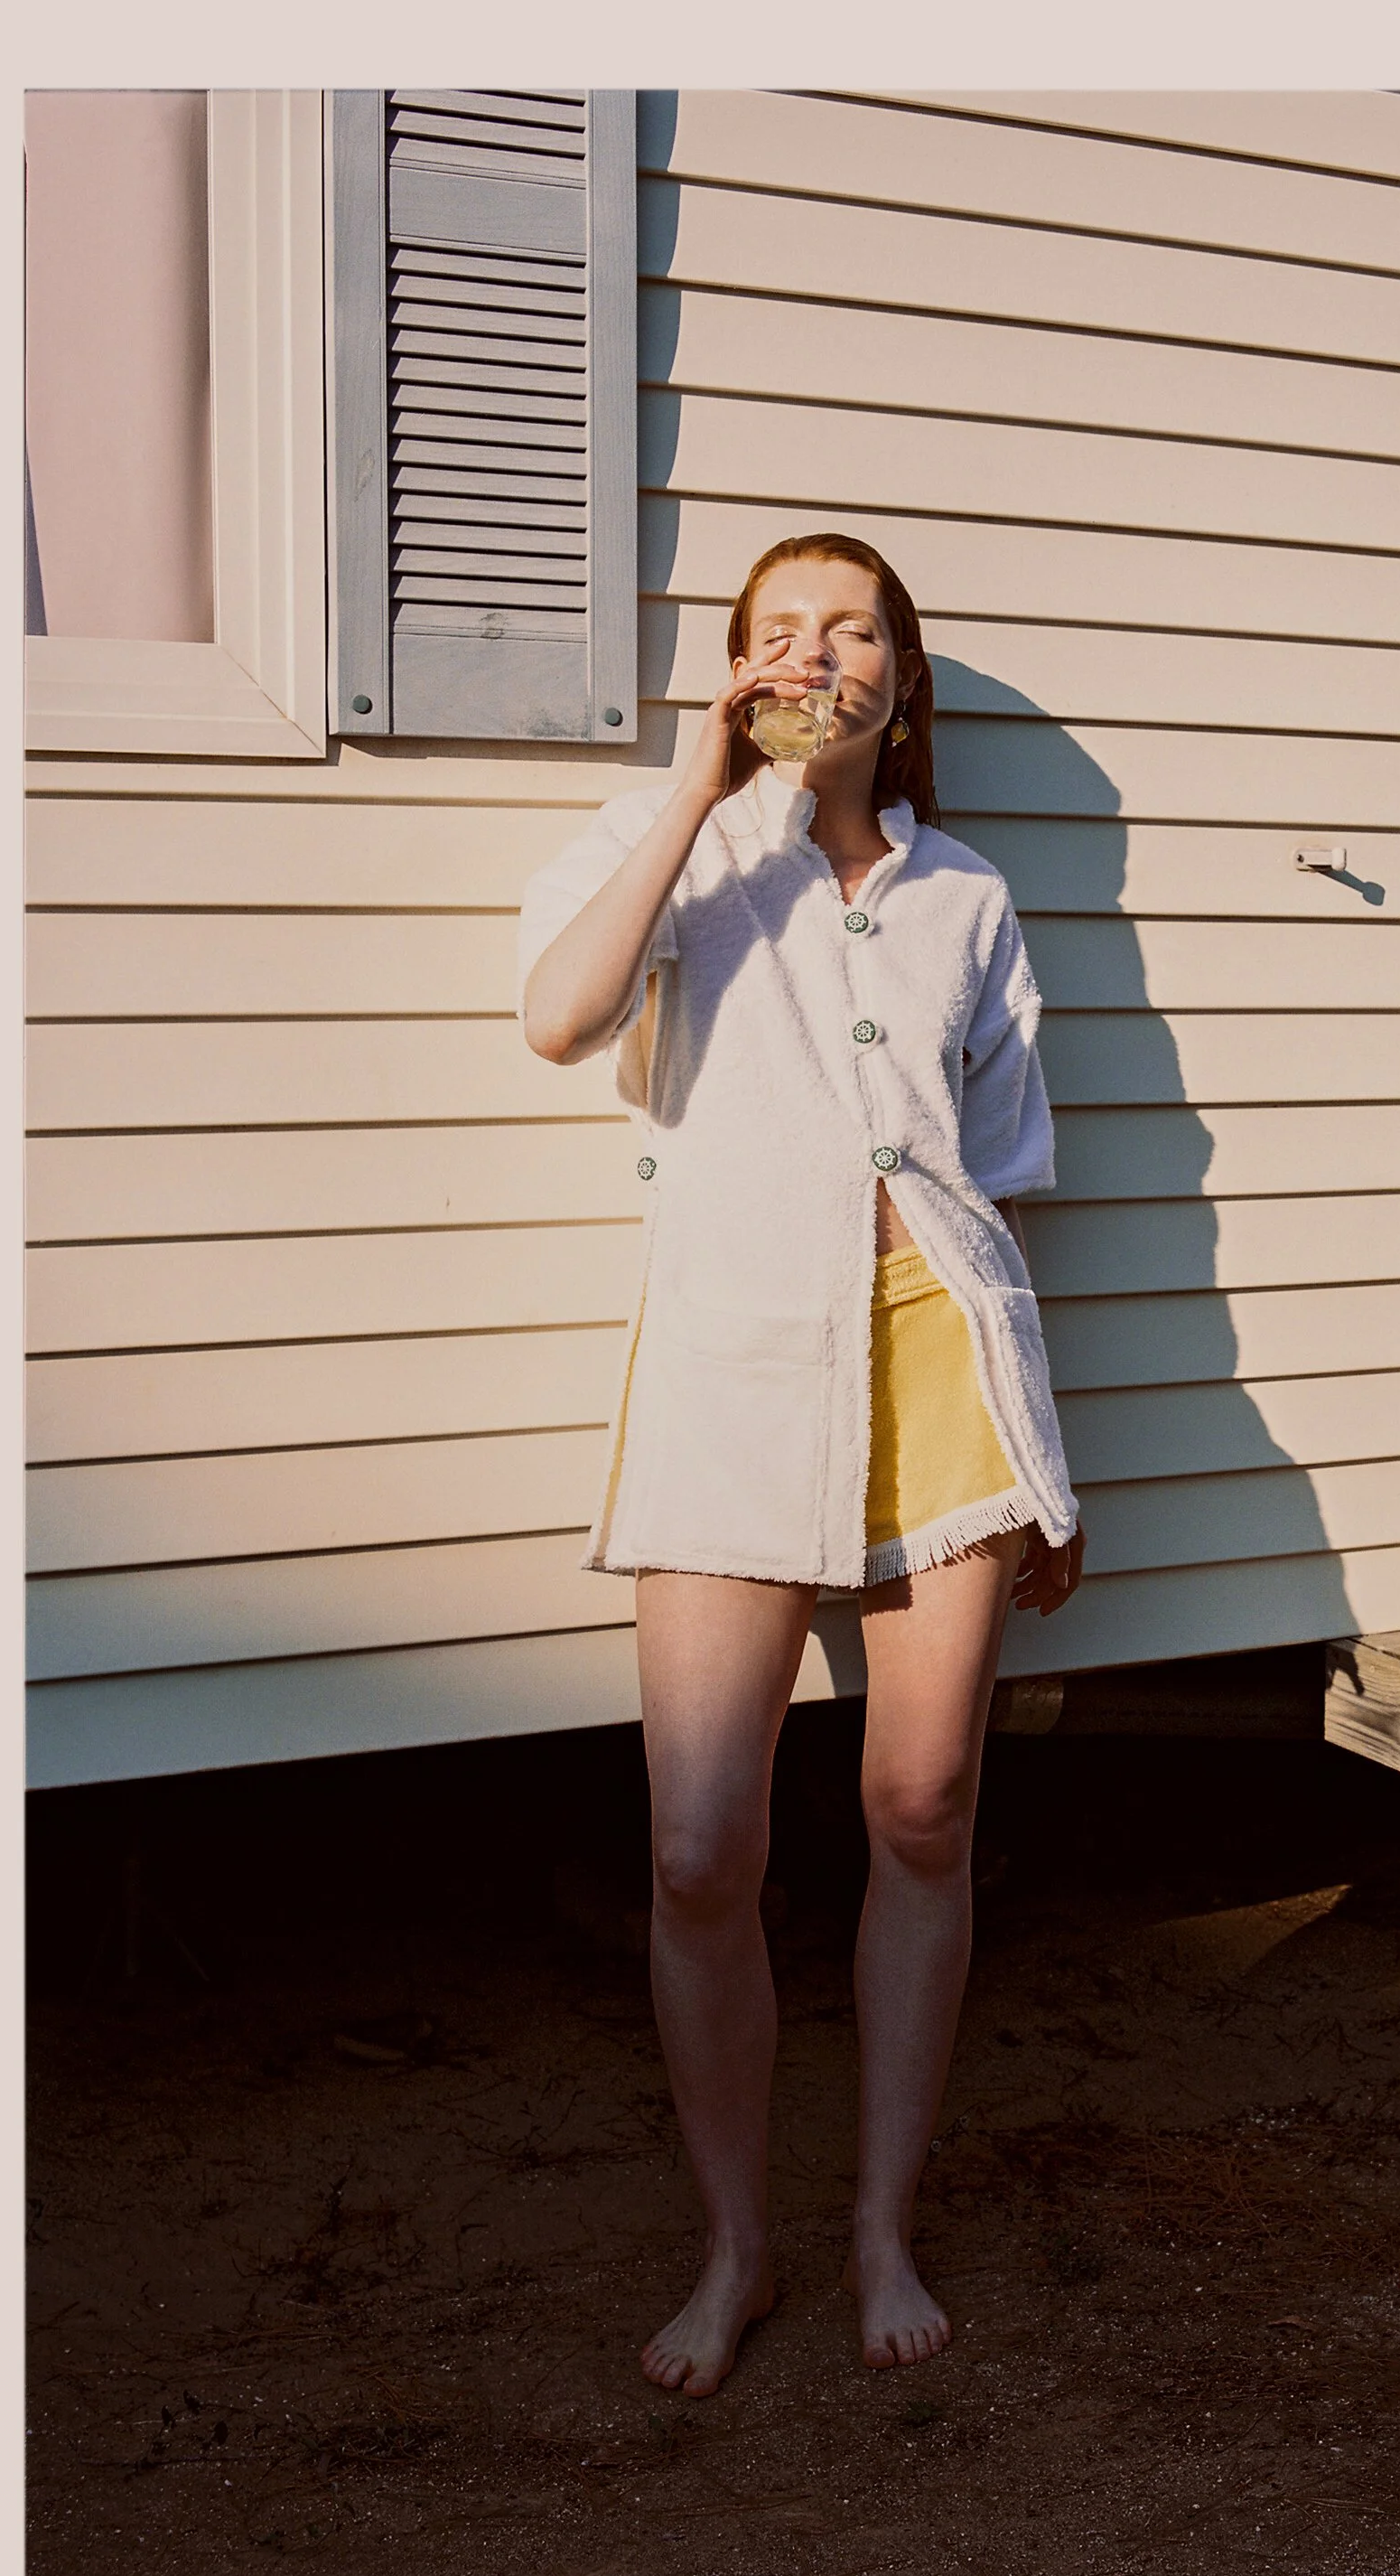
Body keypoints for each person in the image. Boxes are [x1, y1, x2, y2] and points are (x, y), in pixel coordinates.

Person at [520, 533, 1085, 2396]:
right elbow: (557, 1014)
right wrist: (701, 782)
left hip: (943, 1358)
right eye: (773, 633)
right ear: (735, 675)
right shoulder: (675, 845)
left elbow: (1002, 1188)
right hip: (736, 1373)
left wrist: (1038, 1453)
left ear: (899, 683)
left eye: (848, 630)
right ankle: (737, 2240)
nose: (807, 654)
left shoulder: (969, 897)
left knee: (923, 1807)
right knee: (701, 1847)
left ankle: (878, 2226)